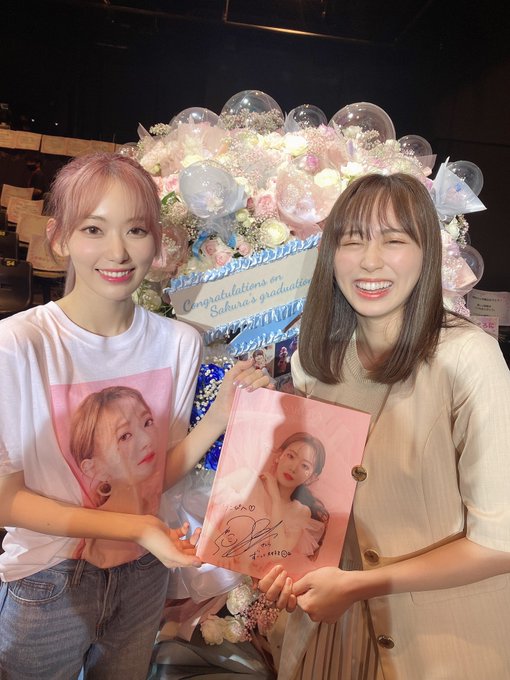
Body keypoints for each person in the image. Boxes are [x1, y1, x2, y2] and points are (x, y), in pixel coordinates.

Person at [0, 152, 268, 680]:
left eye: (136, 230)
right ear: (59, 239)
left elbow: (153, 474)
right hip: (48, 579)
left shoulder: (179, 342)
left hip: (143, 574)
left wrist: (218, 418)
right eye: (93, 229)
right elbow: (5, 499)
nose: (118, 252)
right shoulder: (18, 345)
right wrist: (136, 526)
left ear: (158, 241)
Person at [258, 172, 510, 679]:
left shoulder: (468, 359)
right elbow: (318, 502)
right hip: (331, 634)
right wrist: (282, 564)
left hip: (441, 641)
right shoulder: (316, 363)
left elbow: (499, 542)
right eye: (352, 241)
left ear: (426, 253)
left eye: (394, 240)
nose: (370, 261)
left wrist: (357, 586)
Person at [202, 432, 328, 577]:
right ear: (279, 455)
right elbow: (198, 506)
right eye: (291, 456)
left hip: (244, 583)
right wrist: (221, 544)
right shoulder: (247, 479)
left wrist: (275, 499)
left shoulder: (300, 512)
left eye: (305, 466)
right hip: (207, 565)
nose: (293, 468)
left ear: (311, 477)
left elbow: (277, 553)